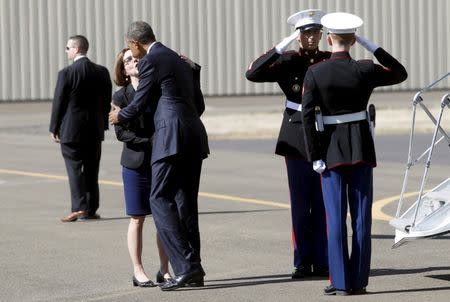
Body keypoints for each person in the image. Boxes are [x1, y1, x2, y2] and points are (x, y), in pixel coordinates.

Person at [301, 12, 407, 295]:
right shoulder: (365, 68)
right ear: (352, 39)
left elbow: (308, 117)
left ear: (330, 37)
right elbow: (400, 72)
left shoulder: (315, 72)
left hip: (330, 152)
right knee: (361, 218)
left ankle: (340, 281)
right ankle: (359, 280)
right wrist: (370, 45)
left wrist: (315, 156)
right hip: (361, 148)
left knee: (335, 218)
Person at [109, 21, 209, 291]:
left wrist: (120, 115)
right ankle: (195, 267)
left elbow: (140, 102)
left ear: (135, 43)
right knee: (185, 203)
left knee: (159, 198)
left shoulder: (152, 59)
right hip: (193, 136)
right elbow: (199, 105)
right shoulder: (178, 59)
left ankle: (186, 267)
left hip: (171, 138)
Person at [245, 9, 330, 278]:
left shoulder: (328, 60)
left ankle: (323, 260)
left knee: (322, 203)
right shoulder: (289, 60)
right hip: (295, 135)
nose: (311, 37)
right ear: (298, 36)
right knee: (300, 202)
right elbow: (253, 73)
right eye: (305, 33)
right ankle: (302, 261)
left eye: (316, 32)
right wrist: (281, 46)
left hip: (324, 132)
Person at [112, 48, 173, 287]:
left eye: (136, 58)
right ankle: (138, 270)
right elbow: (121, 133)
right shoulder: (120, 97)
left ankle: (165, 270)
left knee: (163, 217)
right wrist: (150, 141)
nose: (133, 61)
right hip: (135, 163)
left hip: (159, 161)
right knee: (137, 218)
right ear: (124, 70)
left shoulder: (156, 90)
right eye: (128, 60)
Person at [49, 35, 112, 222]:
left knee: (74, 169)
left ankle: (79, 208)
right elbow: (105, 102)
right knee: (92, 169)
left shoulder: (66, 73)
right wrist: (103, 125)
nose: (66, 51)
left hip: (71, 131)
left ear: (76, 49)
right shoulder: (102, 72)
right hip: (94, 130)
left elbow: (58, 103)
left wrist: (54, 127)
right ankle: (91, 209)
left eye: (68, 47)